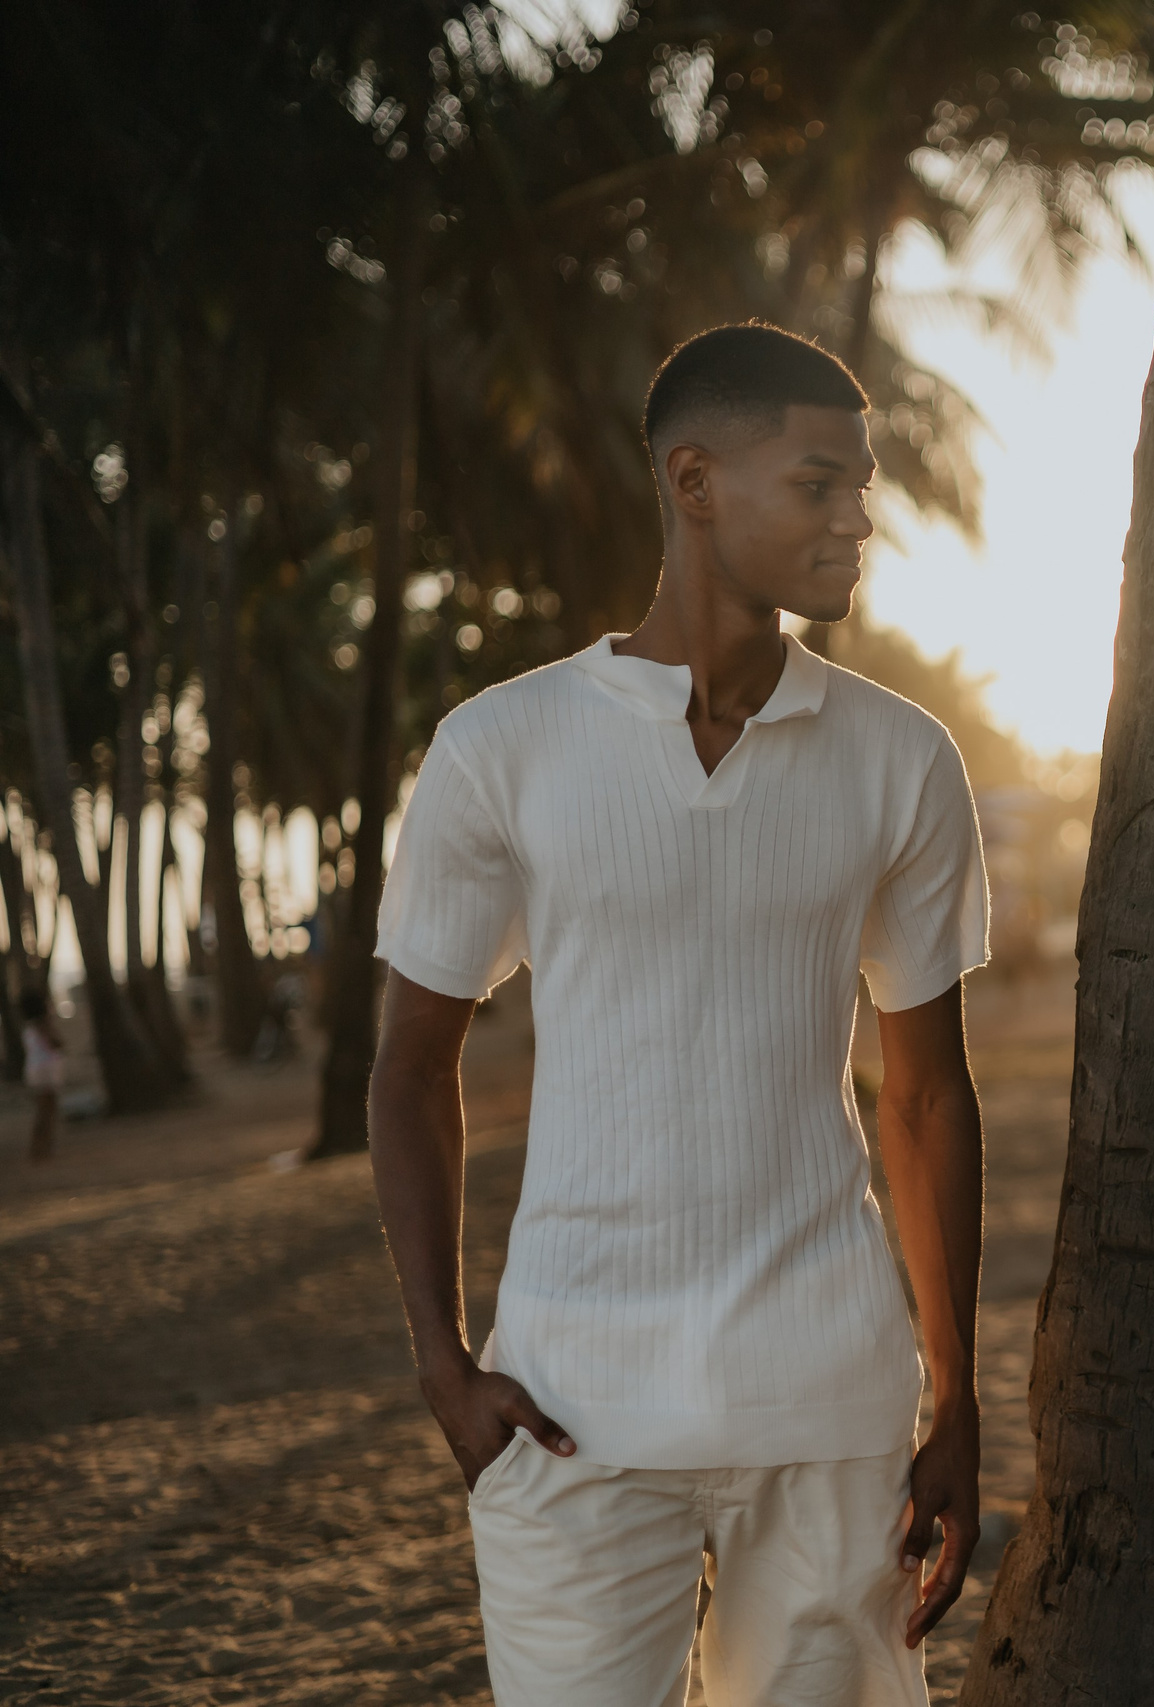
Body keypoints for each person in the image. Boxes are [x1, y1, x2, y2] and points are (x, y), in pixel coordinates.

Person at [369, 323, 990, 1707]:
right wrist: (442, 1362)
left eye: (864, 490)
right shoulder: (502, 747)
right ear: (695, 480)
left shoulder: (901, 757)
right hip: (572, 1399)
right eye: (819, 483)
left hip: (829, 1398)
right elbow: (412, 1067)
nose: (857, 521)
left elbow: (927, 1095)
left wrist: (954, 1397)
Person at [21, 990, 63, 1163]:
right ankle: (41, 1148)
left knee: (43, 1110)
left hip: (36, 1069)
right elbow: (56, 1043)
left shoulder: (28, 1026)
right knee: (47, 1110)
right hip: (45, 1070)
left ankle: (40, 1148)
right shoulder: (42, 1024)